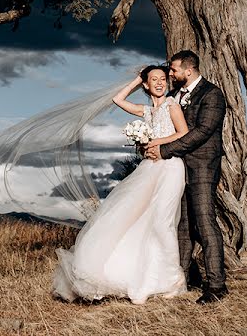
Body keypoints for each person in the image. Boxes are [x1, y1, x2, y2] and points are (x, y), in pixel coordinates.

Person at [51, 64, 190, 305]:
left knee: (163, 221)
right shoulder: (146, 111)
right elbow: (118, 99)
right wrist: (137, 80)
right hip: (150, 168)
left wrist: (156, 141)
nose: (159, 83)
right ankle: (146, 277)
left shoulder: (172, 105)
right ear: (147, 85)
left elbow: (183, 132)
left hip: (170, 167)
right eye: (153, 80)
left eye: (163, 79)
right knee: (139, 219)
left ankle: (174, 280)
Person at [145, 50, 228, 304]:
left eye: (173, 70)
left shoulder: (212, 94)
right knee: (181, 226)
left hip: (203, 166)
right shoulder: (173, 97)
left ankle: (216, 285)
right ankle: (181, 278)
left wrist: (164, 149)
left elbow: (202, 131)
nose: (170, 74)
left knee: (204, 223)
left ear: (188, 71)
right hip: (177, 168)